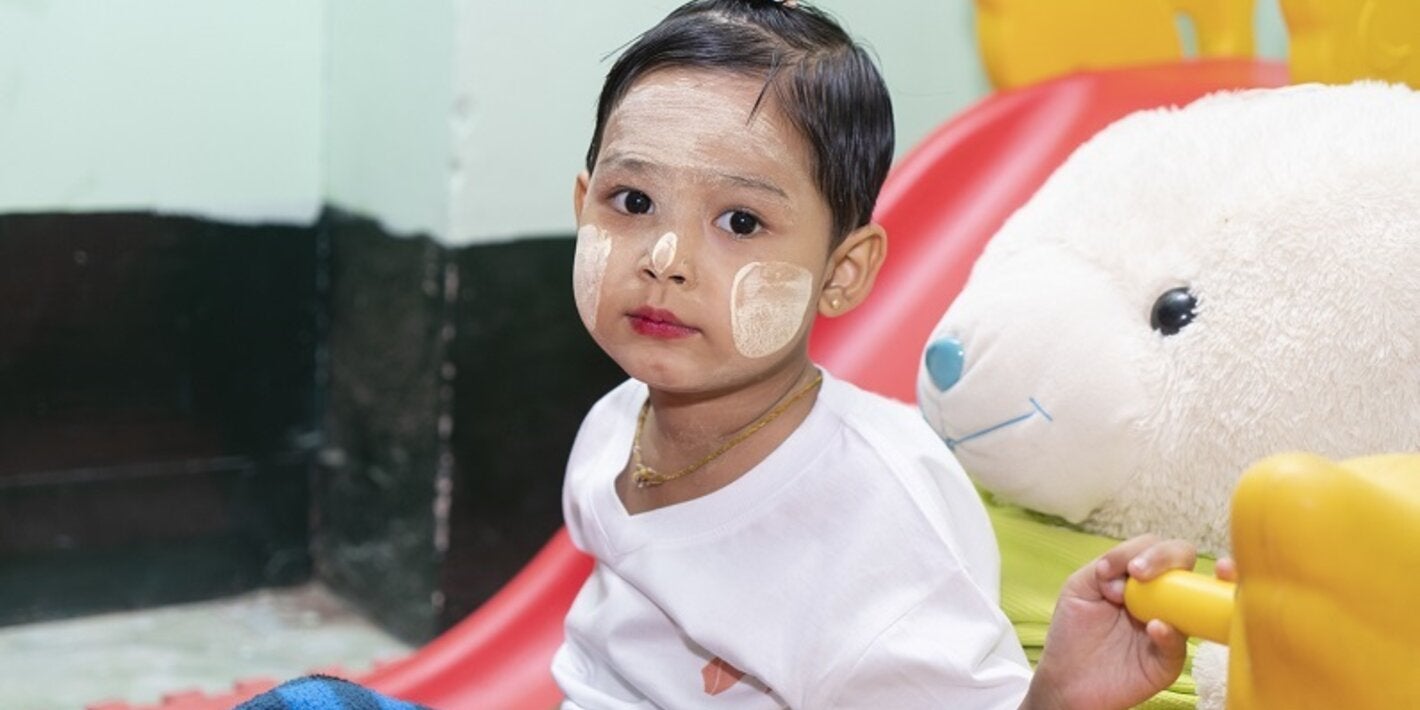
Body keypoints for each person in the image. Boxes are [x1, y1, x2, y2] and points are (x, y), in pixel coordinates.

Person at [552, 1, 1214, 707]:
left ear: (842, 273)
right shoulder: (615, 426)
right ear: (582, 204)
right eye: (631, 200)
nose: (665, 258)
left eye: (740, 221)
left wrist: (1056, 695)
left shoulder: (876, 511)